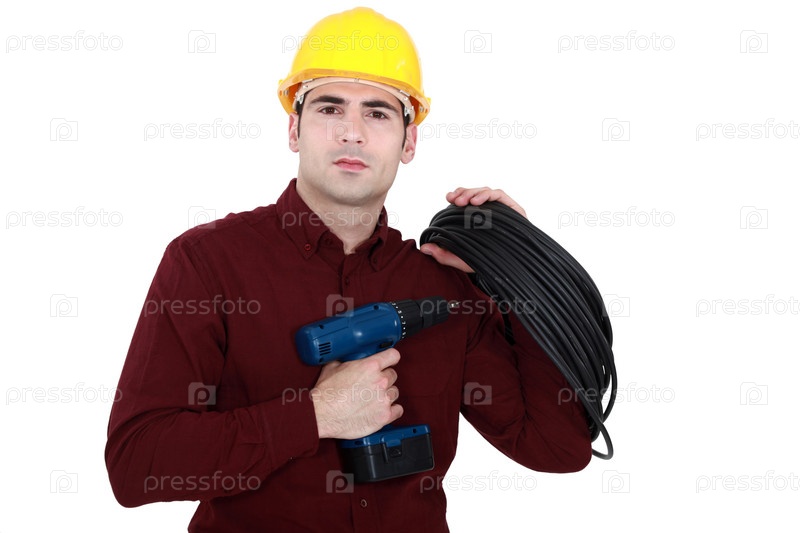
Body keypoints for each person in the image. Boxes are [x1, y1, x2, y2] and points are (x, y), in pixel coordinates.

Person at [105, 7, 591, 532]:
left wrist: (516, 277)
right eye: (330, 108)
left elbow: (556, 449)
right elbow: (135, 465)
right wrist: (315, 415)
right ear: (294, 129)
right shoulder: (208, 262)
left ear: (409, 142)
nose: (352, 133)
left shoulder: (445, 286)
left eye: (378, 113)